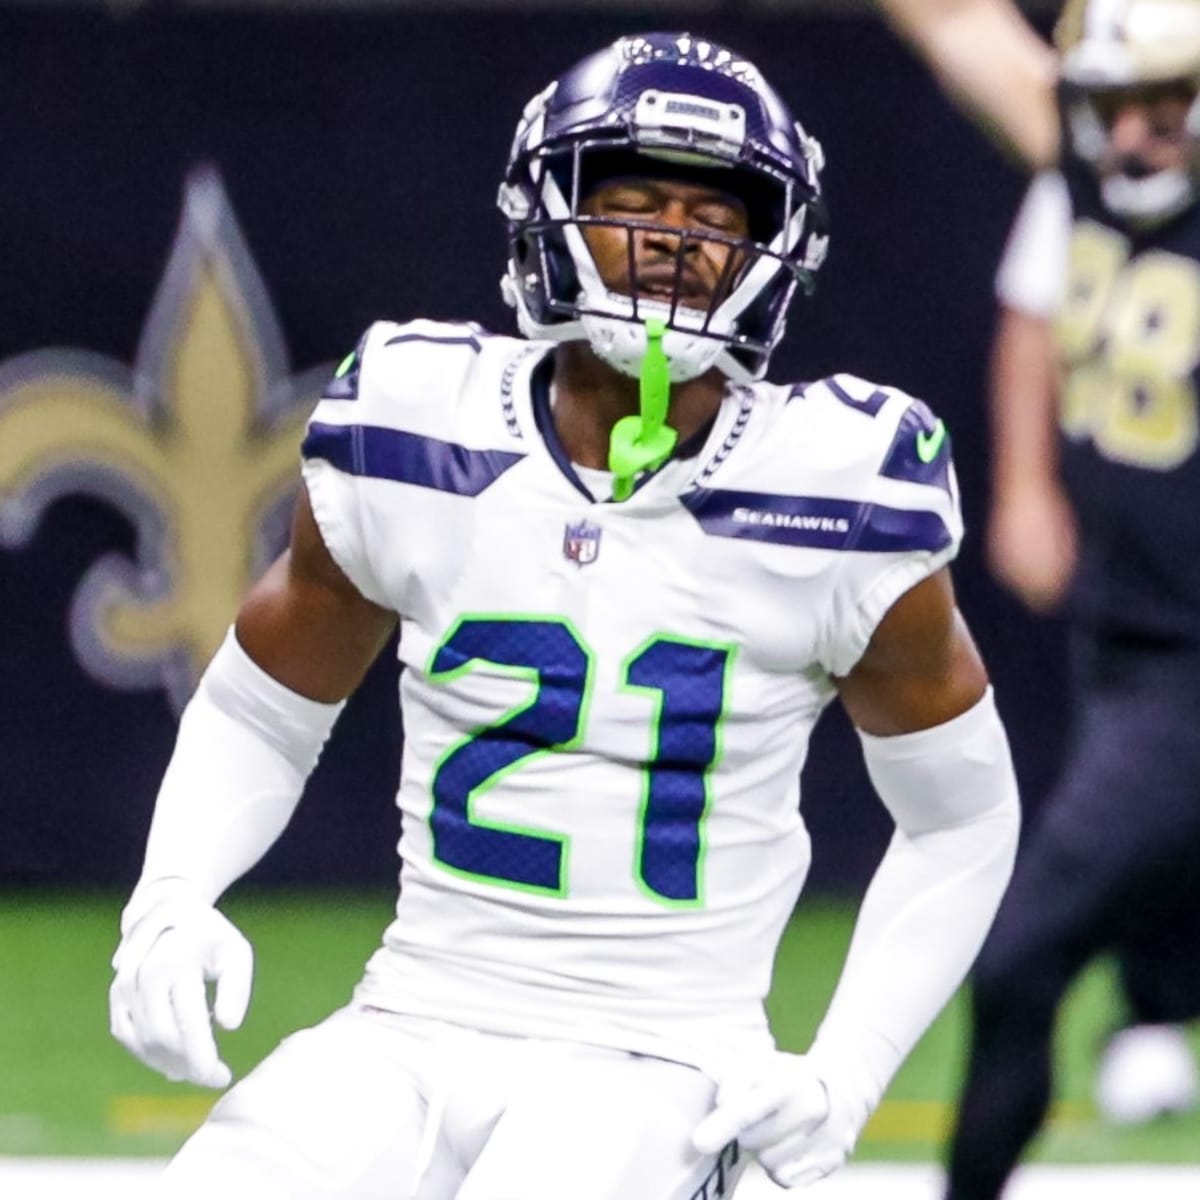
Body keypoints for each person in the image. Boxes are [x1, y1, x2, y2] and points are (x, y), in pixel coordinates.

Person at [107, 32, 1020, 1200]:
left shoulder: (841, 482)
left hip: (667, 1058)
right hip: (413, 1018)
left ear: (773, 248)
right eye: (633, 200)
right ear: (547, 212)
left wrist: (845, 1074)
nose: (673, 242)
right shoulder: (414, 420)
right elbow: (263, 708)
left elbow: (960, 820)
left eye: (713, 216)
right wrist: (171, 899)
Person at [879, 0, 1200, 1187]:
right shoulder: (1094, 169)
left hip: (1189, 669)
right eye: (1114, 106)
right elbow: (963, 24)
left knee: (1020, 956)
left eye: (1167, 100)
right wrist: (1024, 484)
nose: (1136, 136)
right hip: (1130, 636)